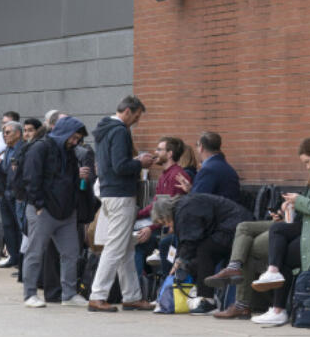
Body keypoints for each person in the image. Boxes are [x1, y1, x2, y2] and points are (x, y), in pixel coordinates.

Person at [248, 136, 310, 326]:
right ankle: (273, 274)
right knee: (278, 229)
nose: (307, 167)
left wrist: (299, 201)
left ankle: (278, 307)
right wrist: (290, 209)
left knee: (282, 252)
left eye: (308, 162)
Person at [89, 96, 156, 313]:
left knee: (125, 248)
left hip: (109, 192)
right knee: (116, 247)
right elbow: (120, 165)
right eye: (136, 116)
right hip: (121, 194)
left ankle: (132, 296)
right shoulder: (119, 131)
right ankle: (98, 295)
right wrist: (140, 162)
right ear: (127, 111)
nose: (136, 122)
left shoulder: (105, 129)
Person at [20, 115, 90, 308]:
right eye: (73, 137)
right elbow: (31, 178)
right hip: (43, 210)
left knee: (71, 253)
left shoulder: (69, 151)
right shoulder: (40, 148)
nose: (75, 142)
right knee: (35, 253)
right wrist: (39, 205)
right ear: (64, 133)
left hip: (65, 211)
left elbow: (66, 179)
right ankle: (30, 294)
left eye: (78, 139)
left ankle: (68, 294)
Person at [152, 192, 253, 313]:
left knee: (205, 250)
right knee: (200, 254)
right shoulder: (183, 207)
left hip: (236, 227)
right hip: (233, 224)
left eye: (164, 223)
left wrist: (179, 260)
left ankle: (208, 300)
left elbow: (191, 240)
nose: (167, 227)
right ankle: (203, 294)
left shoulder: (184, 211)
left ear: (166, 215)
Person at [0, 120, 26, 268]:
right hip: (5, 192)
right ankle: (13, 257)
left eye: (7, 132)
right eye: (3, 133)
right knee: (8, 226)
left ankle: (21, 261)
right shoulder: (7, 148)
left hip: (17, 193)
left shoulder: (23, 148)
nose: (4, 135)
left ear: (18, 134)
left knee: (20, 227)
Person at [189, 132, 241, 203]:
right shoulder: (222, 165)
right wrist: (191, 189)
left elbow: (197, 200)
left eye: (196, 145)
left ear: (201, 147)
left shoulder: (208, 170)